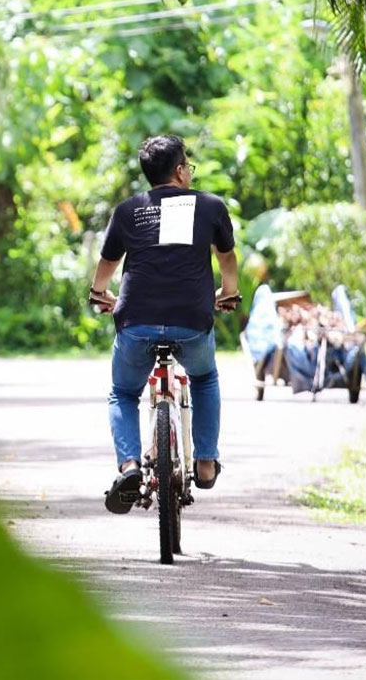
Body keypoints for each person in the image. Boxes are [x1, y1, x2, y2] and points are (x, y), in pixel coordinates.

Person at [87, 135, 239, 514]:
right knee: (204, 379)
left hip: (135, 319)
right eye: (188, 164)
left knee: (123, 392)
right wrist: (230, 293)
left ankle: (129, 466)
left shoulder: (128, 210)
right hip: (192, 318)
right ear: (179, 171)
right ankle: (205, 461)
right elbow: (227, 258)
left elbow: (107, 264)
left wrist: (99, 293)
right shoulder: (209, 206)